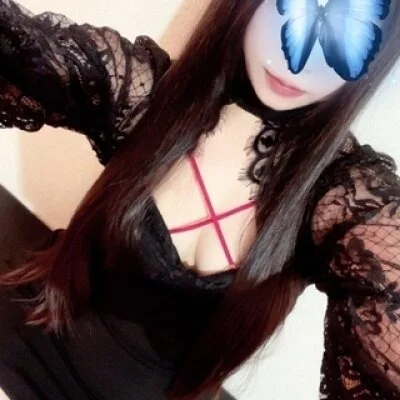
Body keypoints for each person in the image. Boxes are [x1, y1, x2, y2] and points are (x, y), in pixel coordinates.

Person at [0, 0, 399, 399]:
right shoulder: (149, 94)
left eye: (339, 38)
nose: (299, 65)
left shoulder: (348, 200)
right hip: (28, 339)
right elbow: (25, 51)